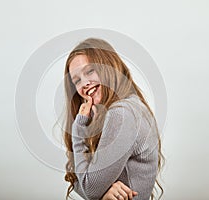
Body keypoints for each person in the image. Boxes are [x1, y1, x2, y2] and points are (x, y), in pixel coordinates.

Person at [63, 38, 164, 200]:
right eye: (77, 80)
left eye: (90, 71)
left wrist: (78, 129)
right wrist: (102, 193)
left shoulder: (122, 114)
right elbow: (73, 177)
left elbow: (89, 188)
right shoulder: (122, 109)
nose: (85, 83)